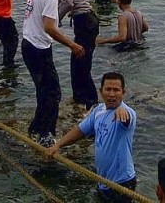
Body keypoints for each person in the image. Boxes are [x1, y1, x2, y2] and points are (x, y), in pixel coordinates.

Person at [47, 72, 137, 202]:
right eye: (108, 89)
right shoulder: (98, 111)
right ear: (101, 91)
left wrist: (123, 112)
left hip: (122, 183)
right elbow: (80, 131)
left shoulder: (127, 113)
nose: (112, 94)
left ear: (123, 93)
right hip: (102, 180)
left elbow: (127, 119)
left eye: (116, 90)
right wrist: (57, 145)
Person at [21, 0, 85, 146]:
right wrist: (72, 44)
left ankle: (35, 127)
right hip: (38, 48)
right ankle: (46, 134)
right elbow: (49, 27)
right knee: (53, 93)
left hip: (28, 43)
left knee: (43, 90)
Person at [51, 0, 99, 108]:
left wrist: (55, 20)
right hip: (85, 21)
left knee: (82, 63)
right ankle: (79, 98)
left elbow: (68, 2)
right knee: (77, 62)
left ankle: (92, 102)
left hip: (85, 21)